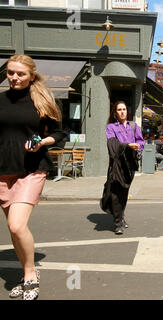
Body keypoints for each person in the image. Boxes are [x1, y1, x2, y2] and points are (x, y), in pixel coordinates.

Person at [0, 54, 66, 300]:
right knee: (15, 230)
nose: (14, 78)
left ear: (31, 76)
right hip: (2, 171)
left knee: (16, 225)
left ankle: (30, 274)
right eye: (10, 73)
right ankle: (24, 271)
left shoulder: (40, 100)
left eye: (20, 74)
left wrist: (42, 142)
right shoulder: (1, 100)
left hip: (31, 169)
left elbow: (59, 133)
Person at [102, 101, 145, 235]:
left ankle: (121, 216)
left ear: (127, 111)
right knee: (115, 193)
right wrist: (127, 145)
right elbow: (112, 144)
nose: (122, 112)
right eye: (119, 109)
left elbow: (140, 140)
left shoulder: (133, 126)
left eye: (124, 109)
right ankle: (117, 223)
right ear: (115, 112)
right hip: (116, 164)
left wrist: (138, 147)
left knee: (124, 192)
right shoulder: (111, 127)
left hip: (130, 164)